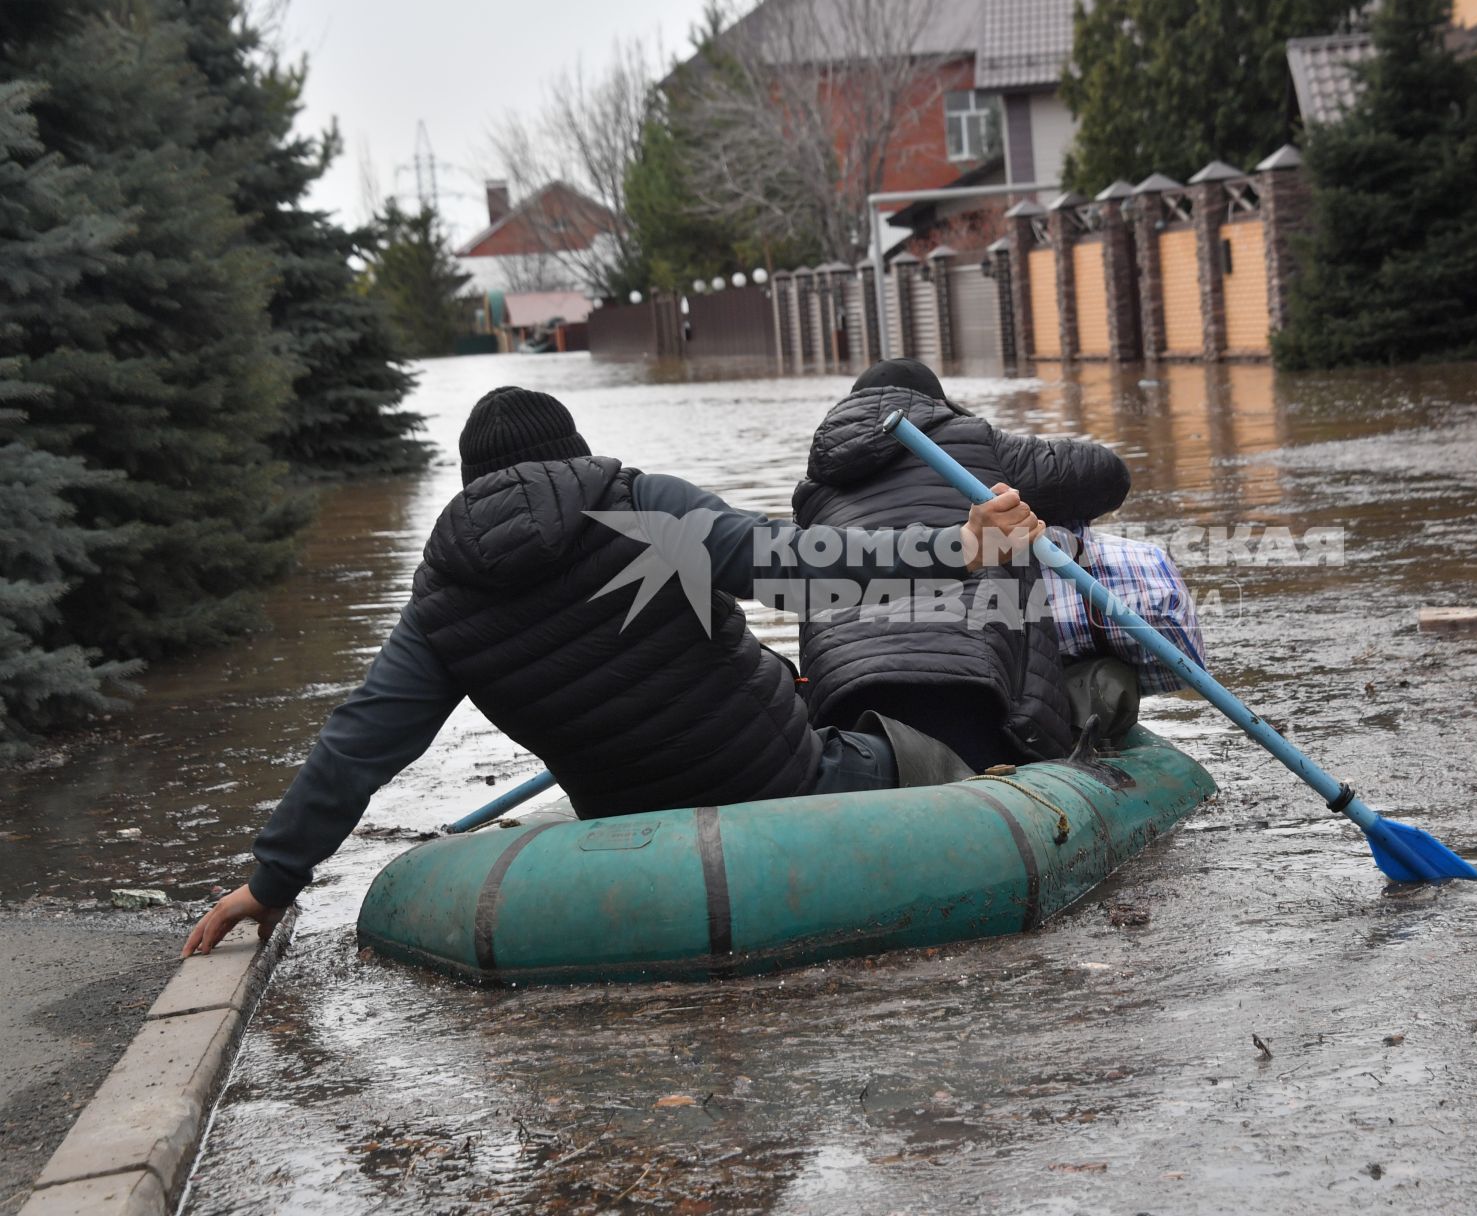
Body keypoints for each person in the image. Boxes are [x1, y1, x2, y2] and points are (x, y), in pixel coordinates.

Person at [184, 386, 1044, 956]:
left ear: (469, 485)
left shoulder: (440, 602)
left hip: (625, 838)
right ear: (574, 456)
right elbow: (804, 564)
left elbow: (357, 746)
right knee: (925, 752)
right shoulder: (645, 506)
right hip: (789, 782)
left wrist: (272, 879)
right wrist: (961, 545)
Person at [791, 359, 1131, 770]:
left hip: (844, 706)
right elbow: (1109, 475)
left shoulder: (812, 492)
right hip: (979, 700)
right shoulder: (978, 443)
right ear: (938, 406)